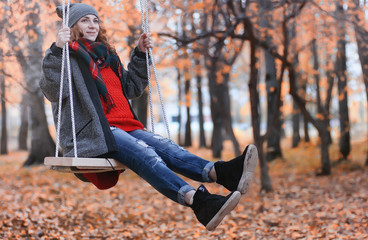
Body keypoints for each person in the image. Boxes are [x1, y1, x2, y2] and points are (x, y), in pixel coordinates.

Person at [40, 3, 258, 231]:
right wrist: (56, 50)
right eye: (85, 20)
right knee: (147, 154)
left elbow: (132, 87)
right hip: (95, 132)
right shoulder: (67, 56)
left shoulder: (107, 56)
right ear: (73, 25)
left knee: (169, 148)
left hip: (126, 127)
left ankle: (221, 173)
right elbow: (52, 91)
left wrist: (141, 55)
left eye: (95, 20)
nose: (92, 25)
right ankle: (199, 201)